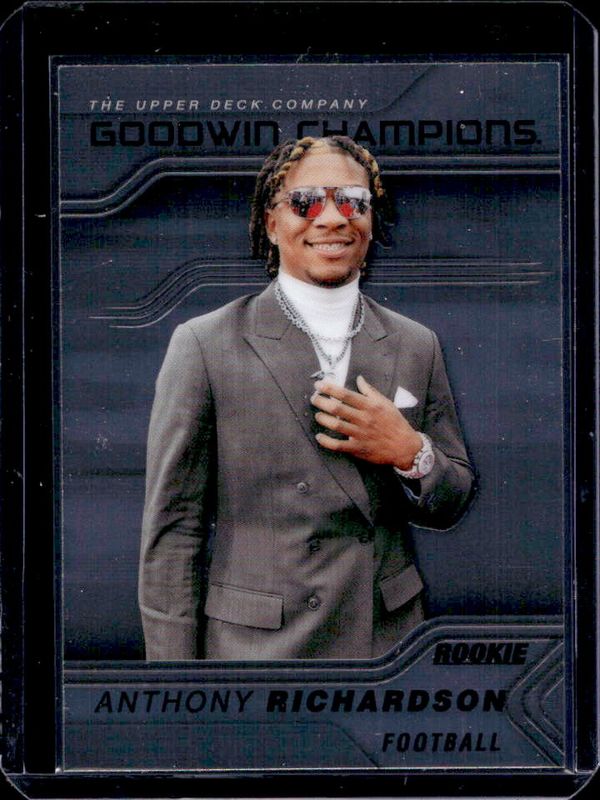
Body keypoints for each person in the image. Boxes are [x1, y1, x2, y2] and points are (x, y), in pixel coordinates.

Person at [138, 135, 474, 661]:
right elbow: (174, 531)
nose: (333, 218)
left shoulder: (416, 343)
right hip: (258, 651)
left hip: (384, 647)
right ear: (272, 223)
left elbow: (451, 501)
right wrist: (175, 688)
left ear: (370, 220)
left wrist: (411, 452)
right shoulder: (206, 343)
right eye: (306, 202)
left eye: (353, 202)